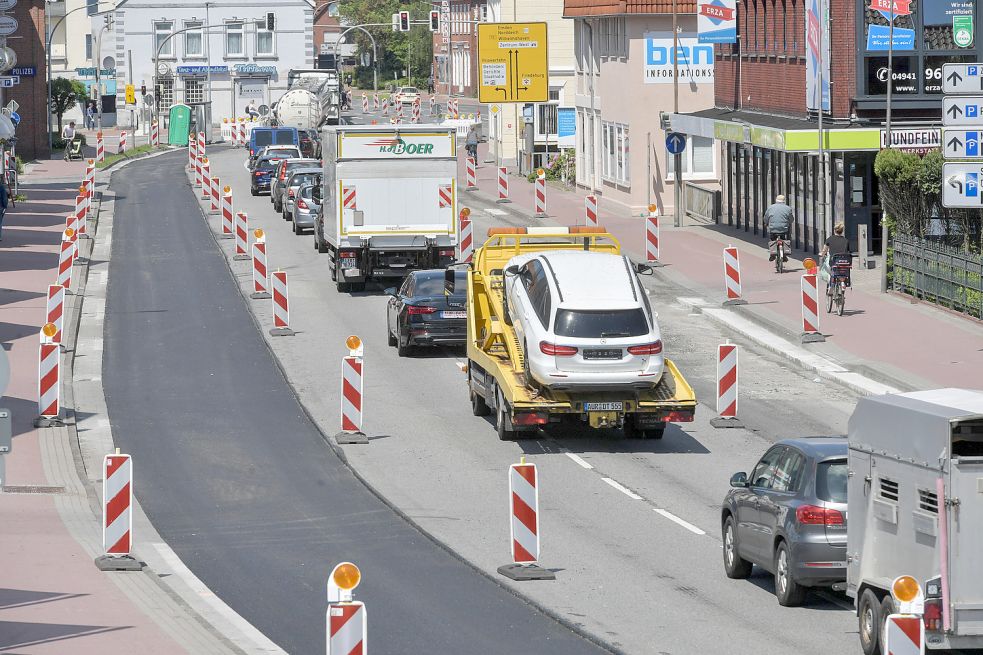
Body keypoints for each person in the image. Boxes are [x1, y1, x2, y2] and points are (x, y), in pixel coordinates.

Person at [821, 222, 852, 293]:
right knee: (843, 272)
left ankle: (831, 284)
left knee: (829, 269)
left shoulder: (830, 239)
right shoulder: (846, 240)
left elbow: (824, 250)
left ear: (834, 230)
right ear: (842, 231)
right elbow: (848, 251)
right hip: (845, 263)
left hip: (834, 262)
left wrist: (822, 254)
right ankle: (843, 283)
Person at [764, 194, 794, 261]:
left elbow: (766, 217)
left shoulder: (770, 207)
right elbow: (791, 219)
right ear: (784, 201)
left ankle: (772, 254)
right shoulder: (788, 208)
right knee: (784, 239)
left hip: (773, 228)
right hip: (784, 228)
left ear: (776, 200)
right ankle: (785, 255)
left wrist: (766, 223)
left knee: (772, 239)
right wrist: (789, 222)